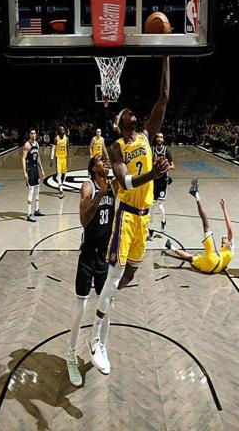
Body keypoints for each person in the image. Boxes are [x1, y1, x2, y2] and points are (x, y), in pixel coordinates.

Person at [88, 57, 171, 374]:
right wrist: (152, 174)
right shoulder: (115, 147)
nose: (133, 116)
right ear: (119, 124)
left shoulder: (147, 136)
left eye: (134, 115)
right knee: (115, 275)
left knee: (130, 274)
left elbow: (164, 97)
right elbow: (124, 181)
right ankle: (95, 339)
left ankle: (106, 295)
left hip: (144, 218)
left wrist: (165, 54)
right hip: (125, 216)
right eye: (127, 115)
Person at [66, 154, 117, 385]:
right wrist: (100, 195)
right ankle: (70, 356)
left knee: (106, 305)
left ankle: (101, 347)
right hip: (88, 255)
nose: (105, 161)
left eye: (106, 159)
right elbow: (84, 220)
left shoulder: (114, 186)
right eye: (100, 160)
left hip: (105, 257)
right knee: (81, 308)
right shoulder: (89, 186)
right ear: (93, 168)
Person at [165, 179, 235, 274]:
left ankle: (196, 194)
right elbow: (225, 266)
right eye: (224, 239)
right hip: (209, 268)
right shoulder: (226, 254)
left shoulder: (230, 247)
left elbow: (230, 230)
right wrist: (224, 267)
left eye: (225, 239)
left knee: (206, 224)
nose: (223, 239)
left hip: (214, 261)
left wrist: (224, 209)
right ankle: (171, 246)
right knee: (191, 258)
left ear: (228, 242)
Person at [148, 132, 174, 239]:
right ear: (156, 139)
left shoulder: (166, 150)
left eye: (161, 137)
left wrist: (165, 168)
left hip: (163, 181)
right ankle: (150, 229)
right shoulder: (152, 150)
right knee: (152, 207)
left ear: (163, 139)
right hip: (154, 181)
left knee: (160, 207)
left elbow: (173, 165)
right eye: (158, 137)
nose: (159, 138)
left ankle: (163, 222)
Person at [22, 129, 45, 222]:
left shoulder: (37, 144)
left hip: (36, 169)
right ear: (29, 134)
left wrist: (42, 169)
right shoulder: (27, 145)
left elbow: (38, 157)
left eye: (34, 133)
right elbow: (23, 158)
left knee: (37, 188)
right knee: (31, 190)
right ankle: (29, 214)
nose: (33, 135)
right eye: (31, 133)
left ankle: (36, 210)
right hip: (30, 169)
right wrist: (25, 172)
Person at [50, 126, 70, 199]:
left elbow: (67, 148)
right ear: (58, 131)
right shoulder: (56, 139)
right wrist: (51, 159)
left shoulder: (66, 138)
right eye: (61, 130)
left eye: (63, 130)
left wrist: (69, 158)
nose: (62, 131)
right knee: (59, 173)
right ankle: (61, 190)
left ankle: (60, 184)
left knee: (64, 174)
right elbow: (53, 149)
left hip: (64, 158)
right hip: (58, 158)